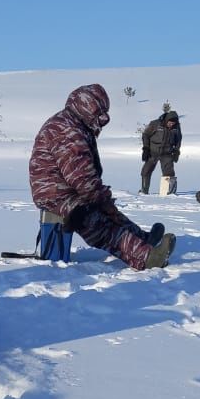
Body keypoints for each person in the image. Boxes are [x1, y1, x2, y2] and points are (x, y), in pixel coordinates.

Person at [28, 84, 176, 269]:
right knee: (96, 223)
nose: (103, 119)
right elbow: (82, 178)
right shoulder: (67, 131)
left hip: (68, 187)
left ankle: (143, 239)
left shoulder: (74, 123)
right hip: (54, 193)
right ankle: (146, 257)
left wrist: (104, 203)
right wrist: (101, 200)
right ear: (86, 108)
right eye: (99, 114)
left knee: (109, 211)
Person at [140, 109, 182, 194]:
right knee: (145, 171)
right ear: (166, 120)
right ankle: (144, 192)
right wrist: (146, 148)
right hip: (152, 152)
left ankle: (168, 193)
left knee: (169, 173)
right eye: (170, 123)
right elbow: (145, 135)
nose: (171, 125)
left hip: (167, 153)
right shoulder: (155, 124)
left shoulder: (176, 127)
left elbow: (178, 139)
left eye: (173, 123)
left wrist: (177, 151)